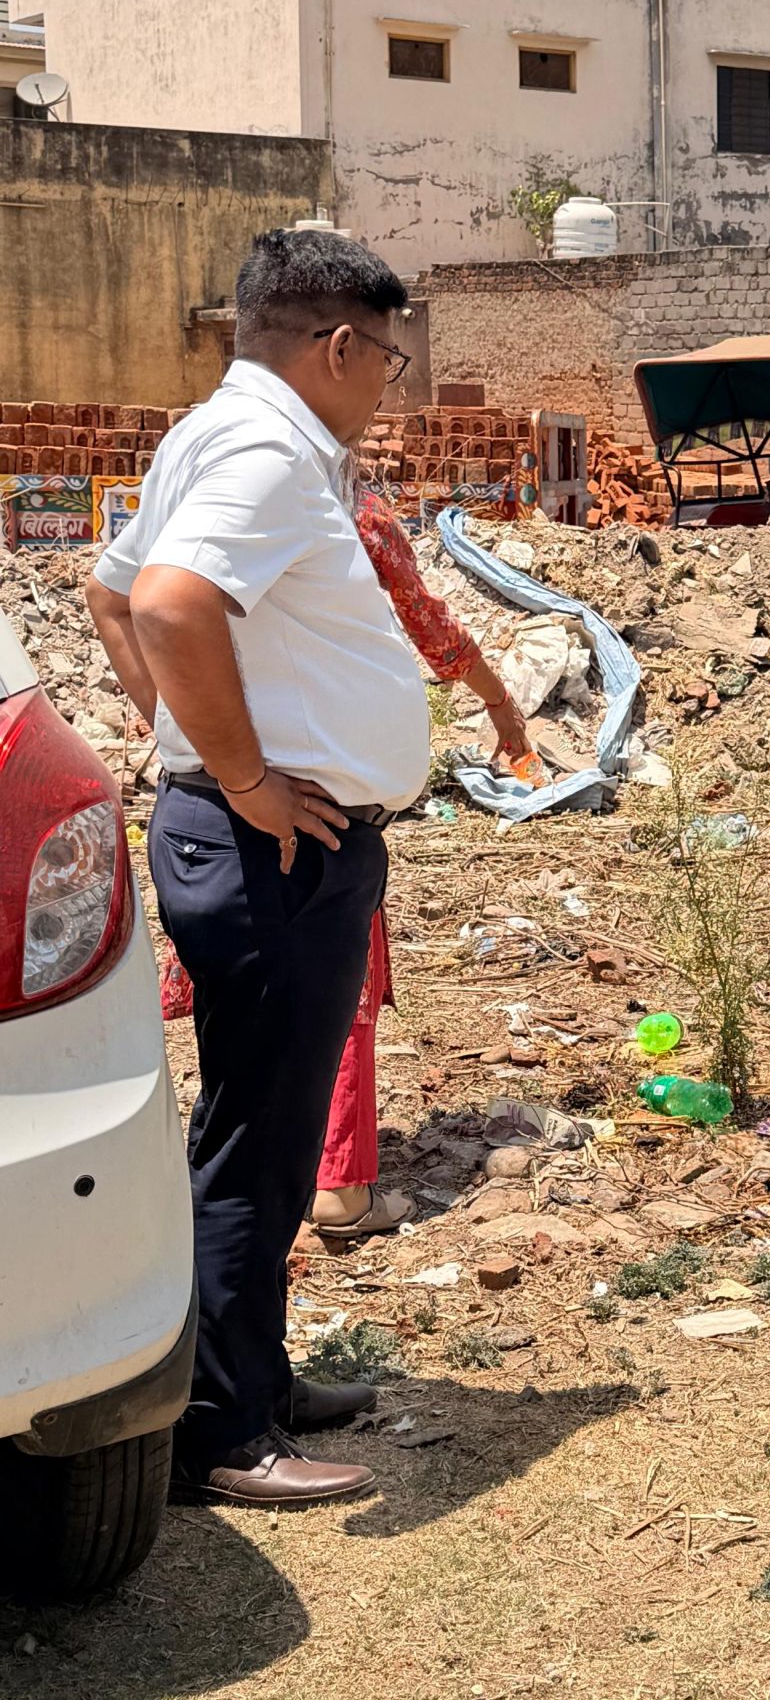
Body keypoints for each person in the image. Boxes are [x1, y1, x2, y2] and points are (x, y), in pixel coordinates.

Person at [87, 227, 432, 1508]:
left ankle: (250, 1378)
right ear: (338, 345)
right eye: (387, 359)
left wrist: (186, 745)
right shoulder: (269, 452)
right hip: (273, 848)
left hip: (254, 837)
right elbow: (167, 604)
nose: (387, 383)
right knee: (257, 1143)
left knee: (255, 1131)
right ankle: (223, 1434)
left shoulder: (212, 431)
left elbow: (110, 593)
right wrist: (238, 777)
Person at [153, 480, 534, 1246]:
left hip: (217, 798)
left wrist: (200, 746)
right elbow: (430, 624)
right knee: (337, 987)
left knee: (238, 996)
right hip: (313, 805)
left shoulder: (206, 498)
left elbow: (123, 602)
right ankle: (338, 1185)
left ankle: (241, 1185)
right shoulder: (346, 508)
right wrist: (500, 703)